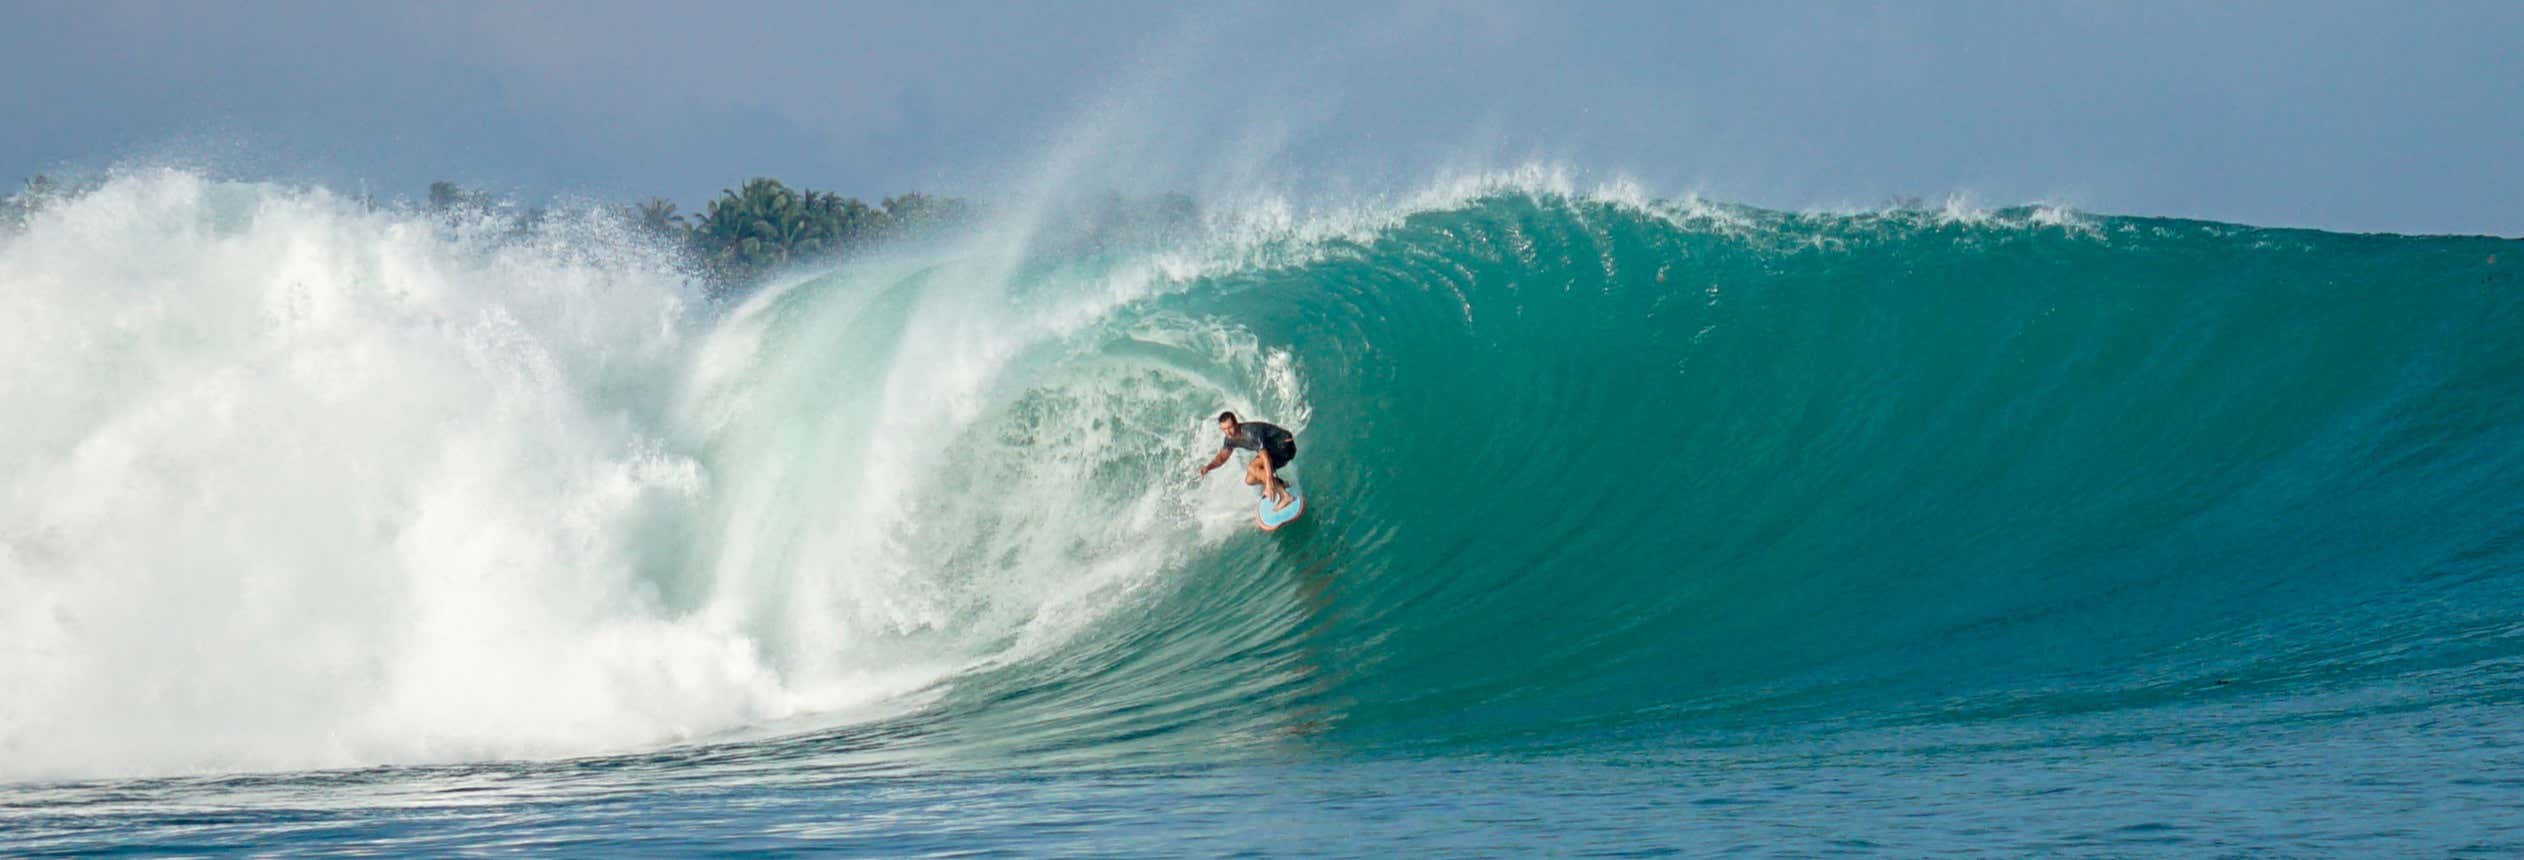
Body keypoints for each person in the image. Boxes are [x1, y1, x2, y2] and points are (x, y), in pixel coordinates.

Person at [1197, 410, 1298, 510]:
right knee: (1250, 480)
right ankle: (1280, 484)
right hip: (1272, 450)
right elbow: (1222, 457)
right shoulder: (1230, 439)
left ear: (1236, 423)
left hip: (1285, 446)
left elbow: (1266, 457)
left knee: (1252, 467)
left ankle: (1285, 496)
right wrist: (1208, 467)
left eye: (1230, 427)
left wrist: (1269, 482)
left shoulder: (1250, 432)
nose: (1228, 432)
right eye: (1224, 429)